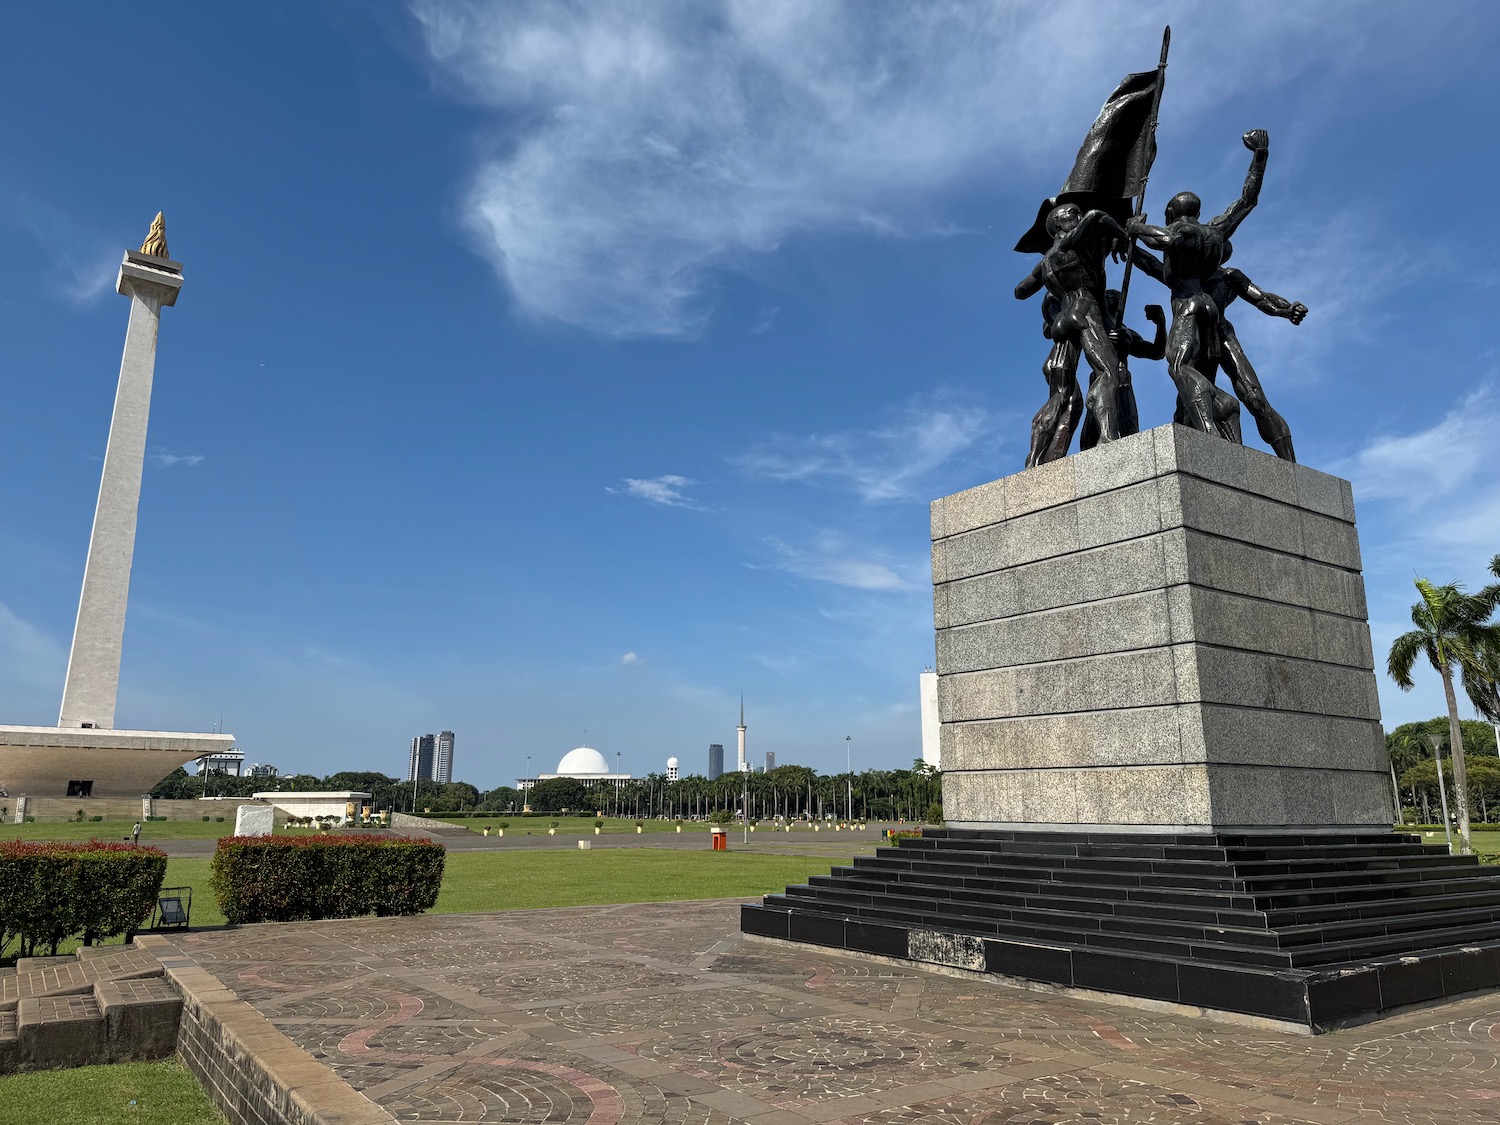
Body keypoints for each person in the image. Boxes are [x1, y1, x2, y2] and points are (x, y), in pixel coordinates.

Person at [1127, 129, 1271, 438]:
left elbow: (1166, 239)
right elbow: (1248, 200)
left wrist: (1136, 229)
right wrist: (1260, 155)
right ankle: (1206, 416)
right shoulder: (1215, 232)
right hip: (1209, 307)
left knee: (1177, 366)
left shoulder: (1180, 232)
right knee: (1192, 379)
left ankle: (1220, 408)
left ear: (1172, 213)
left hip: (1188, 306)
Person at [1016, 204, 1132, 451]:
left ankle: (1039, 455)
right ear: (1058, 222)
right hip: (1084, 309)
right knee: (1108, 372)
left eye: (1077, 214)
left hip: (1061, 320)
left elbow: (1021, 291)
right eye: (1073, 214)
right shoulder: (1071, 242)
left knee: (1061, 395)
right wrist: (1123, 235)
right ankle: (1108, 438)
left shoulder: (1045, 261)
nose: (1078, 216)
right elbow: (1096, 215)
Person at [1078, 291, 1165, 451]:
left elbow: (1157, 352)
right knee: (1093, 433)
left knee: (1129, 430)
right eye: (1111, 297)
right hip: (1101, 379)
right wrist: (1105, 339)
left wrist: (1161, 324)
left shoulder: (1126, 331)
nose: (1116, 300)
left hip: (1123, 382)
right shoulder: (1095, 324)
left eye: (1118, 298)